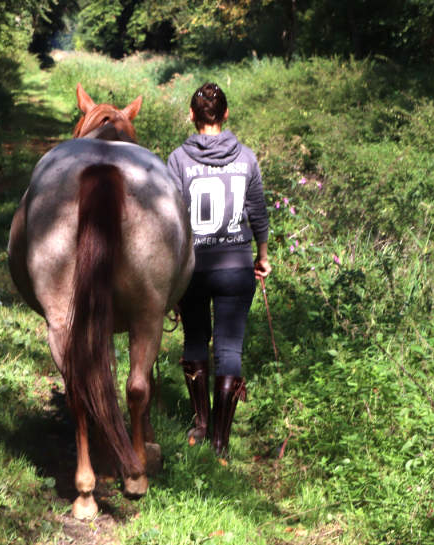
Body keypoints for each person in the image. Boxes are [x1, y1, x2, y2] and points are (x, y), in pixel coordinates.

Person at [167, 82, 271, 456]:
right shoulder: (246, 158)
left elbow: (172, 219)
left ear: (192, 116)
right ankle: (220, 445)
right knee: (229, 348)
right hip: (235, 266)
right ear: (225, 115)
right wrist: (262, 255)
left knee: (195, 339)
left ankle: (200, 423)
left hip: (192, 267)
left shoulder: (178, 160)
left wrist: (171, 271)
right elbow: (257, 212)